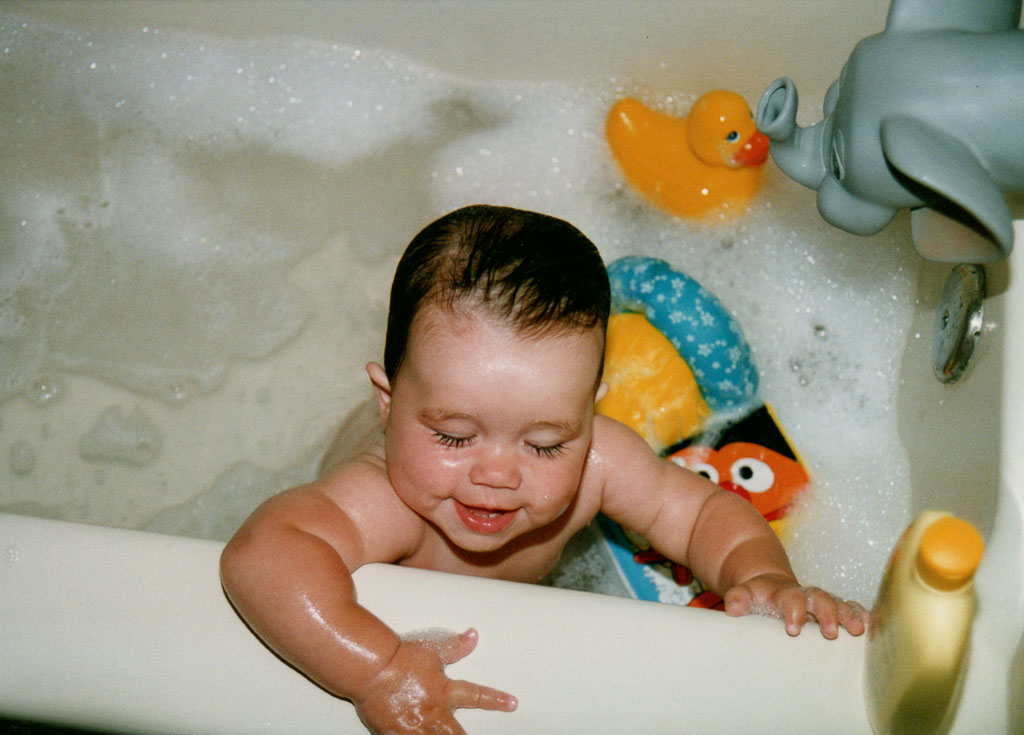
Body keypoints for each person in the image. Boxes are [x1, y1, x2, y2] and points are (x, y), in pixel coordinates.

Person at [220, 204, 869, 735]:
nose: (497, 474)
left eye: (545, 444)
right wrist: (380, 670)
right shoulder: (385, 500)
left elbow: (700, 512)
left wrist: (759, 575)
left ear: (590, 416)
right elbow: (263, 555)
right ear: (387, 403)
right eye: (453, 435)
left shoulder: (598, 461)